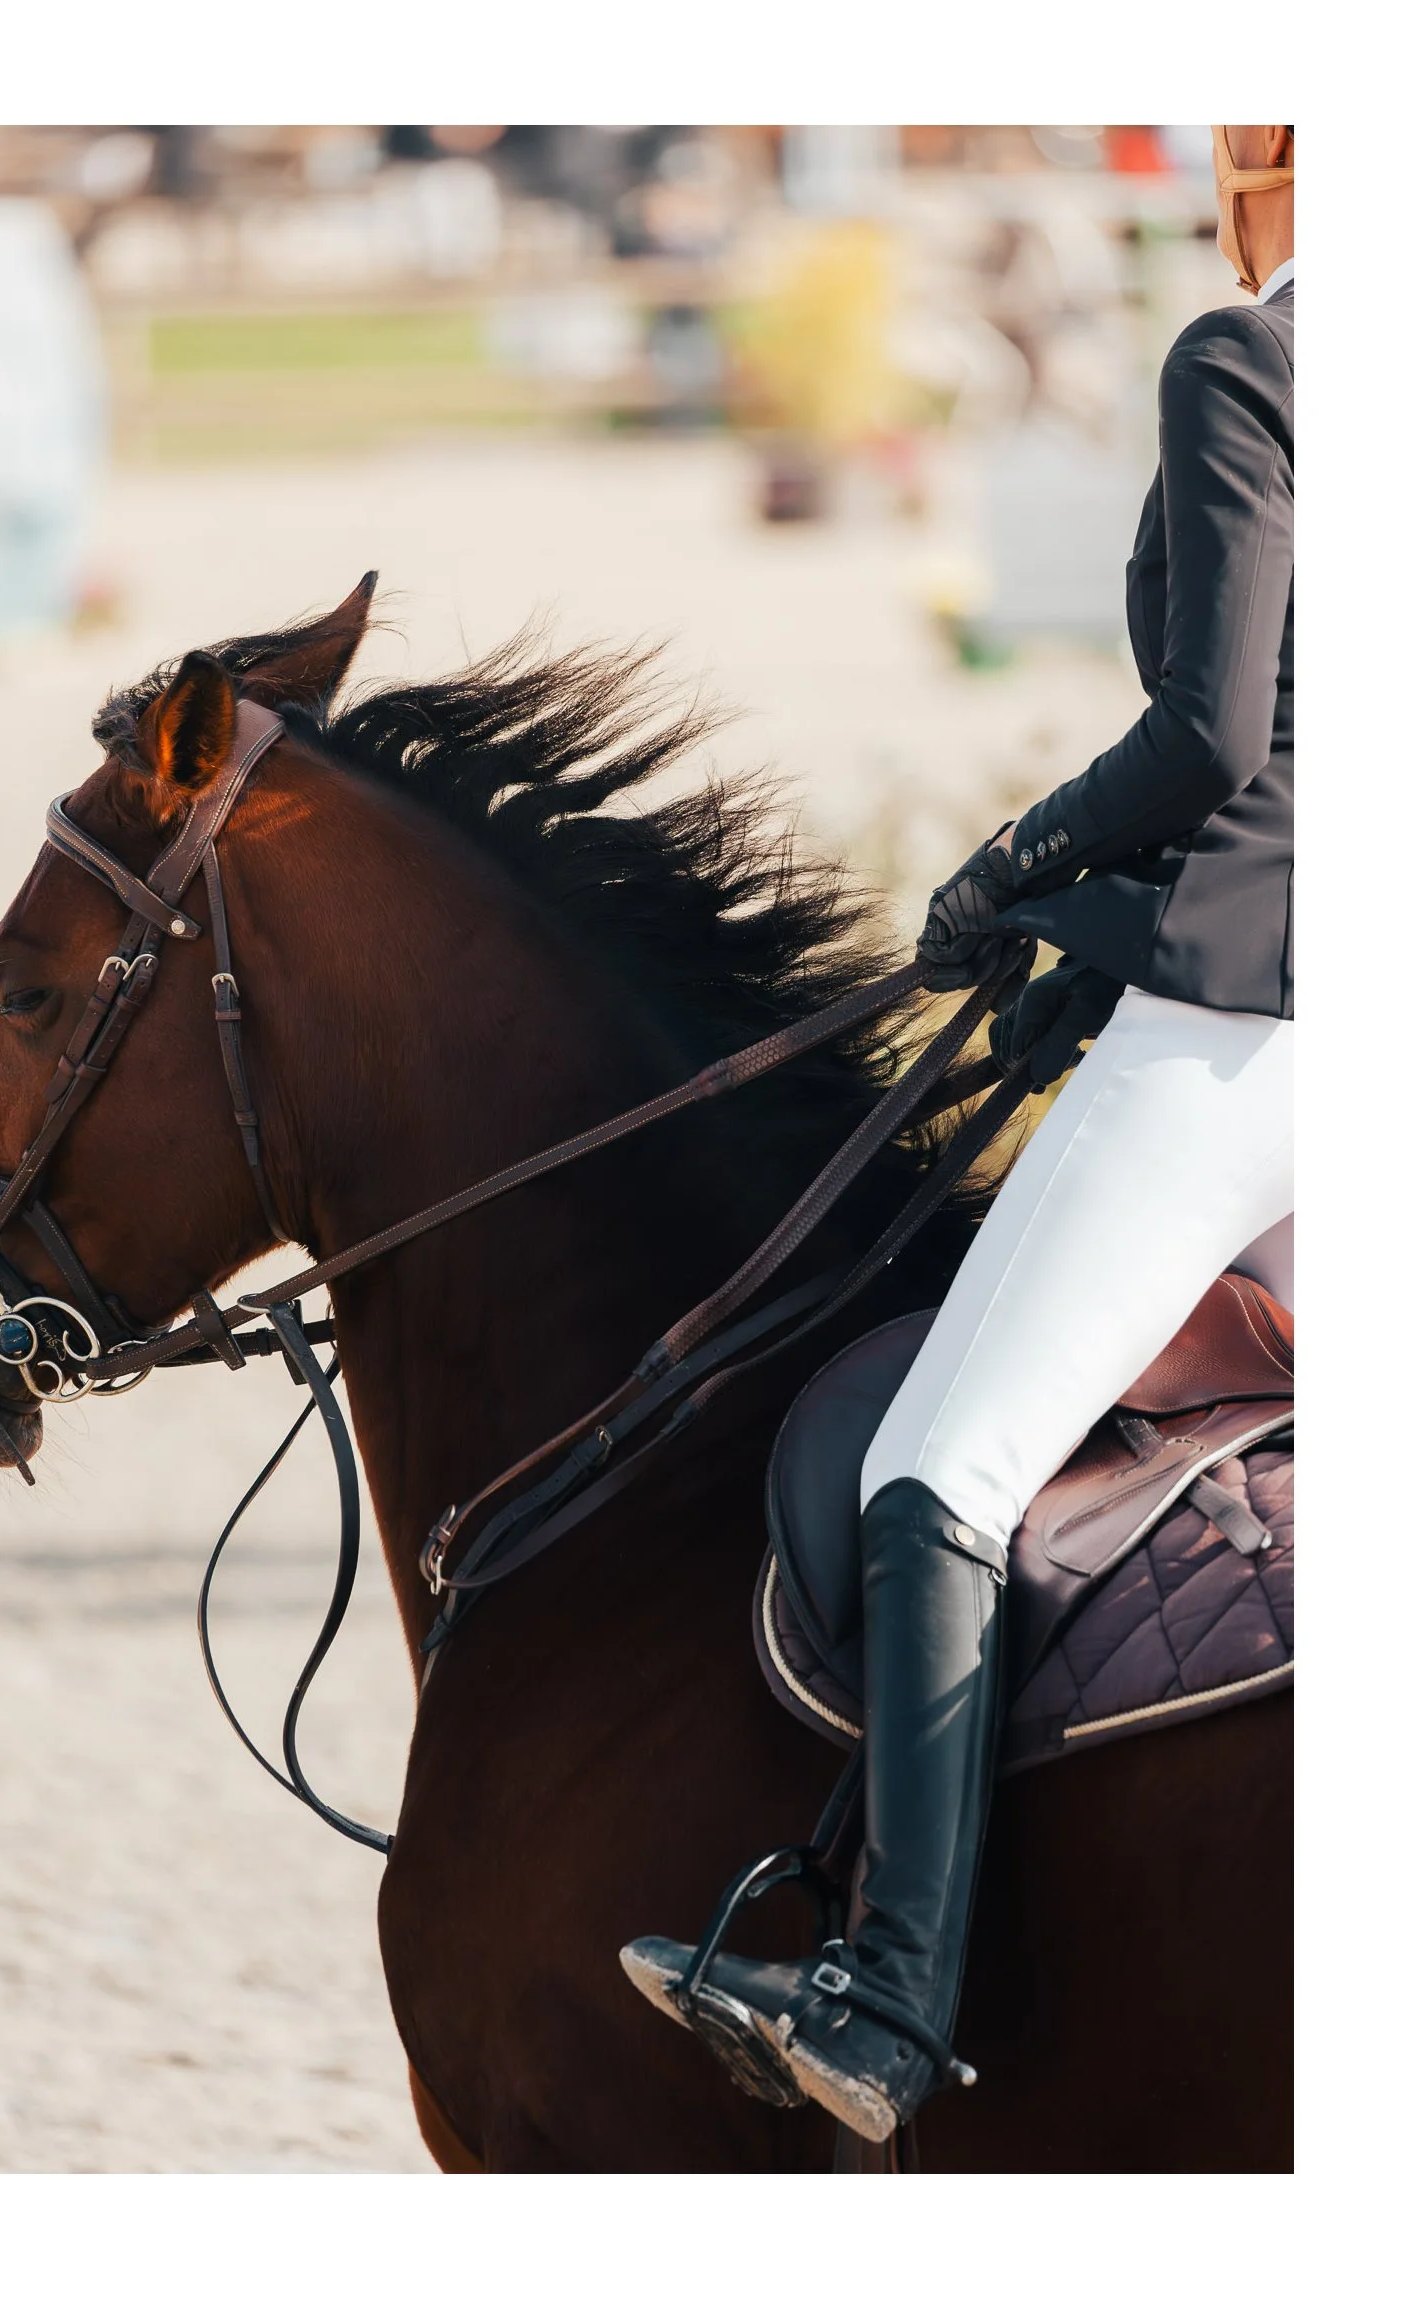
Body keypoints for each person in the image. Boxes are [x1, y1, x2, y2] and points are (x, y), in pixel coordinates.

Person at [621, 126, 1294, 2144]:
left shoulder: (1251, 355)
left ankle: (884, 2014)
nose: (1223, 177)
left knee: (945, 1463)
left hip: (1256, 1035)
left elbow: (1215, 738)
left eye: (1247, 142)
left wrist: (1018, 860)